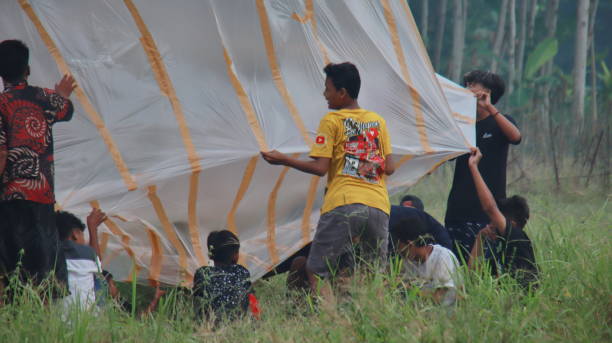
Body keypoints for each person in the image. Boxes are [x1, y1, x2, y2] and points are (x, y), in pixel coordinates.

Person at [261, 62, 394, 295]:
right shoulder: (378, 121)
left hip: (343, 202)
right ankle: (377, 321)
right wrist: (362, 162)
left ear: (342, 93)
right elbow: (390, 167)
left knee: (317, 269)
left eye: (328, 89)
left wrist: (284, 160)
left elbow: (321, 168)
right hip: (378, 205)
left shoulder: (332, 121)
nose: (325, 95)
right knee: (373, 274)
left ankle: (331, 322)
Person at [0, 39, 76, 299]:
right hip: (42, 197)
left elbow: (1, 154)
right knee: (44, 266)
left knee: (14, 266)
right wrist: (62, 94)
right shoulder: (44, 98)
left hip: (11, 197)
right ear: (28, 70)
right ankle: (45, 320)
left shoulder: (1, 104)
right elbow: (66, 109)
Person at [444, 70, 522, 261]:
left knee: (485, 267)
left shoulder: (500, 121)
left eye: (472, 85)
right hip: (458, 209)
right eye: (467, 84)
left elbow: (516, 137)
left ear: (487, 91)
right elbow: (447, 155)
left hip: (489, 210)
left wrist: (489, 108)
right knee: (458, 264)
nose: (467, 89)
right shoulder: (463, 126)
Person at [467, 148, 538, 289]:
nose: (490, 225)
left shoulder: (517, 237)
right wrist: (480, 238)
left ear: (511, 224)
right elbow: (472, 274)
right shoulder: (500, 247)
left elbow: (489, 207)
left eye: (494, 222)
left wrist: (473, 167)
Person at [393, 216, 461, 305]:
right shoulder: (407, 260)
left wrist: (406, 288)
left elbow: (439, 298)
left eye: (399, 246)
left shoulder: (442, 257)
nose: (397, 250)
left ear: (410, 244)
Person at [193, 230, 258, 321]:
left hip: (210, 323)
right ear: (235, 255)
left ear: (210, 253)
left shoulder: (203, 273)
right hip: (239, 322)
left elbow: (198, 301)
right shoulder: (241, 271)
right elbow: (253, 302)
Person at [56, 209, 105, 310]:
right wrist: (93, 228)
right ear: (75, 234)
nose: (84, 241)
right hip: (84, 320)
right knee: (100, 281)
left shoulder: (48, 253)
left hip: (55, 320)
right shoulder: (84, 253)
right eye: (82, 235)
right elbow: (98, 263)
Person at [101, 270, 165, 316]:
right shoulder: (100, 303)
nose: (115, 288)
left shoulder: (121, 303)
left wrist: (156, 298)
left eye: (114, 284)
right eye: (112, 285)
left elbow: (141, 317)